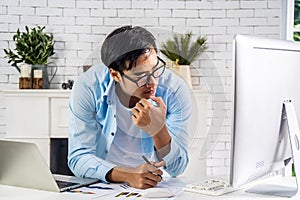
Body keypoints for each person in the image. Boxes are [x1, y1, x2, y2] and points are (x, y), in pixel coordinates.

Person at [68, 25, 192, 189]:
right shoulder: (88, 87)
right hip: (106, 183)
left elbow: (178, 168)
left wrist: (158, 130)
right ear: (115, 74)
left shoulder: (175, 91)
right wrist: (128, 175)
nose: (152, 82)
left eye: (155, 69)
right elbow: (78, 158)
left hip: (159, 184)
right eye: (140, 75)